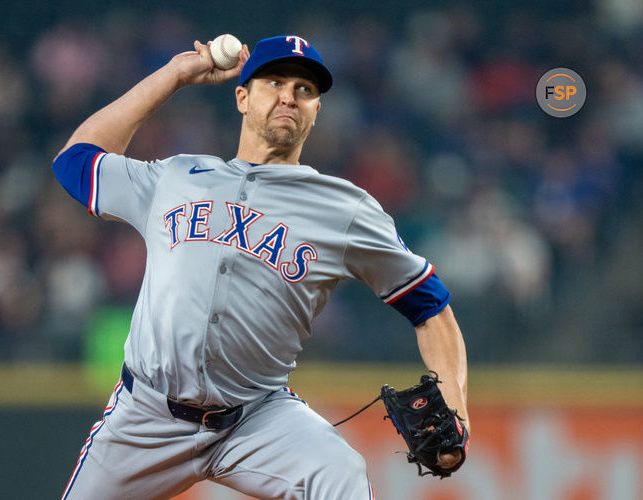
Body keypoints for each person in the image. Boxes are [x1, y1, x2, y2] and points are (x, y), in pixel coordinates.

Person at [53, 35, 469, 500]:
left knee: (340, 474)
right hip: (146, 416)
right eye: (274, 81)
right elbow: (76, 162)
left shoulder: (345, 209)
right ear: (242, 97)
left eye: (305, 89)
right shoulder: (174, 177)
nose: (290, 95)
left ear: (316, 111)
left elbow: (431, 307)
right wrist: (174, 75)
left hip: (258, 419)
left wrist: (456, 408)